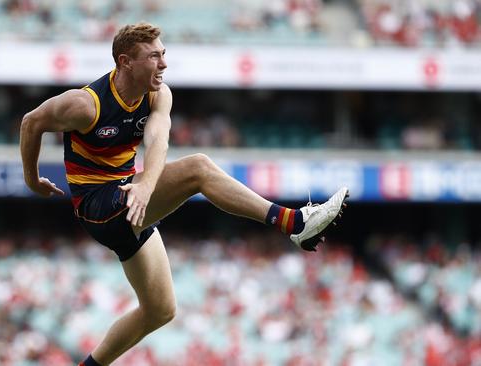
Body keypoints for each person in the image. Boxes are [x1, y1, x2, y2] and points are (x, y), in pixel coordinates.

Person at [20, 22, 349, 366]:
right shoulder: (86, 105)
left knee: (160, 310)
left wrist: (146, 185)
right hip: (97, 206)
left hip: (131, 198)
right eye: (153, 57)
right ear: (125, 62)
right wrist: (32, 179)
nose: (163, 64)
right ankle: (294, 223)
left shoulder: (159, 94)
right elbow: (31, 122)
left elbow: (158, 138)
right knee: (198, 169)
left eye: (164, 54)